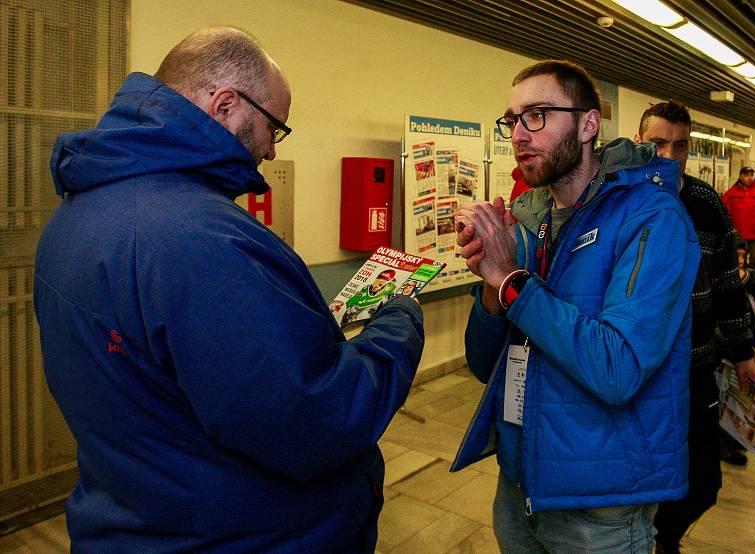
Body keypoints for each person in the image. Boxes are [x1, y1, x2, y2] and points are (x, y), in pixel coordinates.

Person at [34, 27, 425, 552]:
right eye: (275, 128)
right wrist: (397, 325)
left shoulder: (75, 215)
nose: (269, 150)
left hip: (132, 516)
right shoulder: (202, 238)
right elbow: (313, 421)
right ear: (224, 105)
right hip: (247, 534)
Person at [451, 60, 699, 553]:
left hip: (600, 506)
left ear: (589, 125)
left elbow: (617, 367)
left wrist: (513, 283)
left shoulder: (654, 219)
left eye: (538, 115)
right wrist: (491, 287)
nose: (519, 134)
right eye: (514, 119)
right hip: (522, 483)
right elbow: (483, 364)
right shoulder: (529, 219)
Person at [634, 101, 755, 551]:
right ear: (639, 143)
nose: (669, 155)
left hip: (695, 366)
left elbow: (728, 284)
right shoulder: (621, 198)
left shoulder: (706, 203)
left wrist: (744, 350)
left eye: (680, 146)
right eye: (657, 144)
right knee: (645, 472)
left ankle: (662, 538)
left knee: (705, 482)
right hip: (638, 372)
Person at [722, 166, 755, 274]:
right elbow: (724, 214)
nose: (750, 178)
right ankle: (741, 285)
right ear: (741, 176)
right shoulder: (731, 194)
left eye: (751, 175)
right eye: (746, 175)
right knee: (739, 262)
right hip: (739, 236)